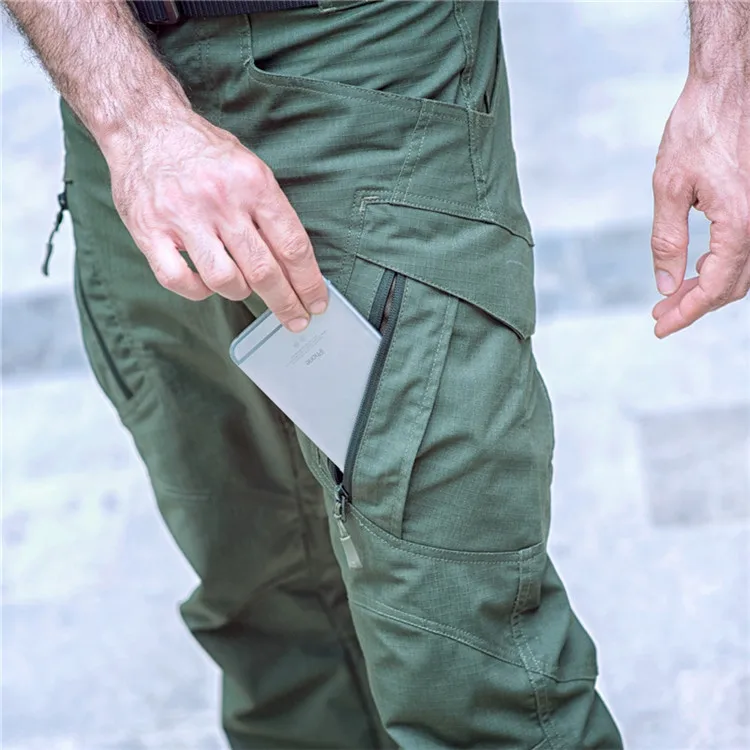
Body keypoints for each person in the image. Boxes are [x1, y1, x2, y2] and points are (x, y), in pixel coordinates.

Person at [5, 1, 749, 748]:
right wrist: (135, 121)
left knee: (472, 669)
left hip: (364, 63)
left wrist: (727, 82)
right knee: (275, 627)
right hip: (111, 82)